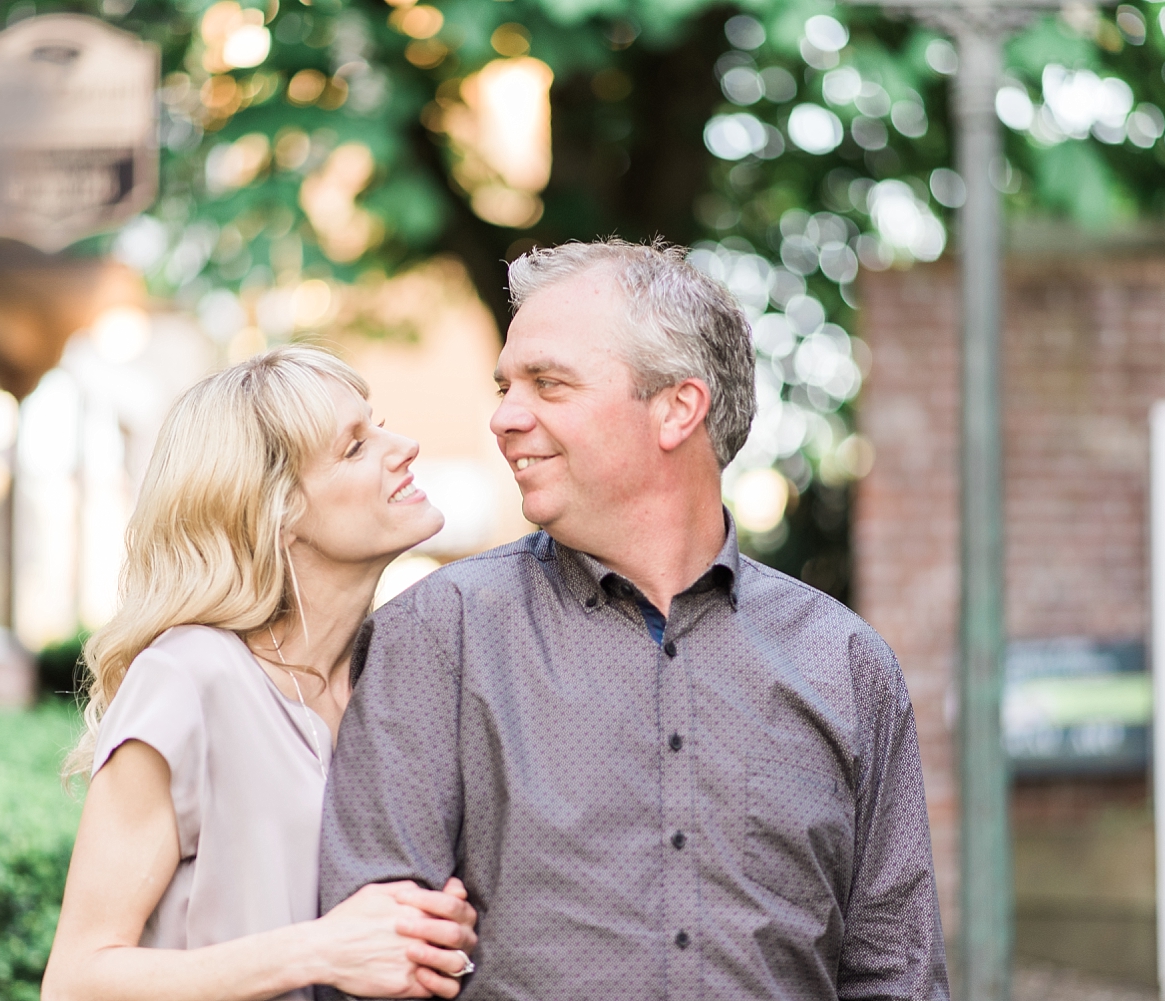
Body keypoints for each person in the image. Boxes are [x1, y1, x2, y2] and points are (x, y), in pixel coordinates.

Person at [318, 240, 949, 1000]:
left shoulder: (845, 662)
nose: (504, 418)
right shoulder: (436, 637)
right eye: (506, 386)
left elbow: (895, 972)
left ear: (677, 408)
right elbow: (373, 971)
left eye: (549, 383)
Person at [42, 346, 479, 1001]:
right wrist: (321, 950)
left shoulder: (391, 679)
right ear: (278, 512)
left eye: (377, 424)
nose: (406, 445)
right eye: (355, 446)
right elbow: (77, 981)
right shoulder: (188, 678)